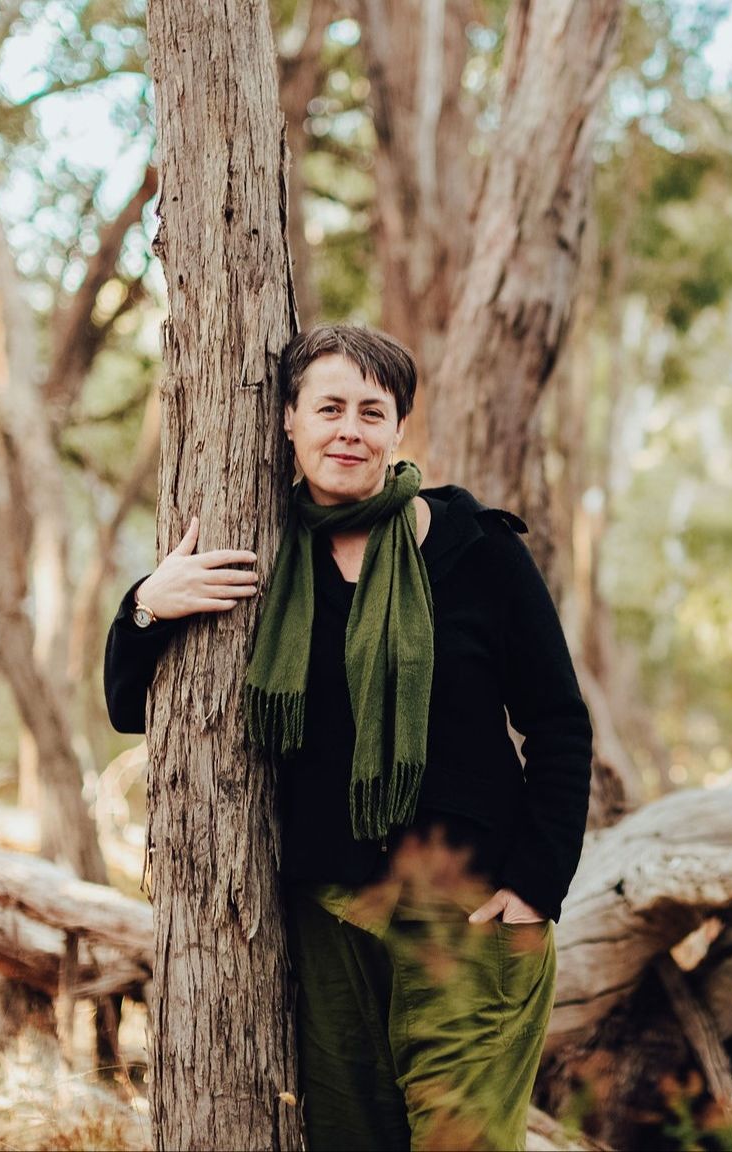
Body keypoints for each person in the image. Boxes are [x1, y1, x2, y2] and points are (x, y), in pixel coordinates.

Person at [103, 325, 593, 1150]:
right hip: (332, 921)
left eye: (373, 411)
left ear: (398, 429)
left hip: (467, 921)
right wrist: (149, 603)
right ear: (288, 421)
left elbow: (558, 722)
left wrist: (539, 883)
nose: (349, 430)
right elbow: (128, 703)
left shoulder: (477, 549)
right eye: (328, 407)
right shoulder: (264, 560)